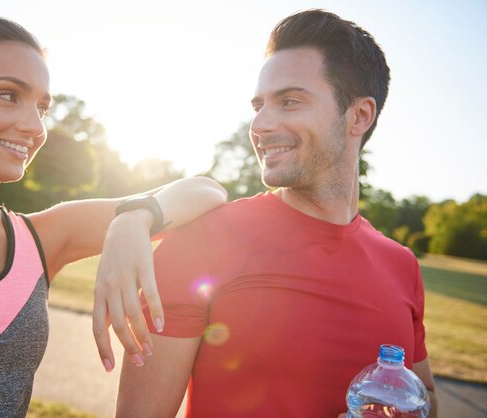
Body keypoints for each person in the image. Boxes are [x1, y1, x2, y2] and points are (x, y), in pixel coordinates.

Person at [0, 16, 226, 416]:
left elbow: (206, 190)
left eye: (42, 108)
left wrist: (133, 219)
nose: (34, 127)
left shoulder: (43, 238)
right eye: (7, 95)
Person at [116, 9, 438, 418]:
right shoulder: (200, 240)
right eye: (259, 105)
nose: (261, 124)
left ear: (359, 116)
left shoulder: (402, 265)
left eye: (289, 102)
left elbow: (424, 392)